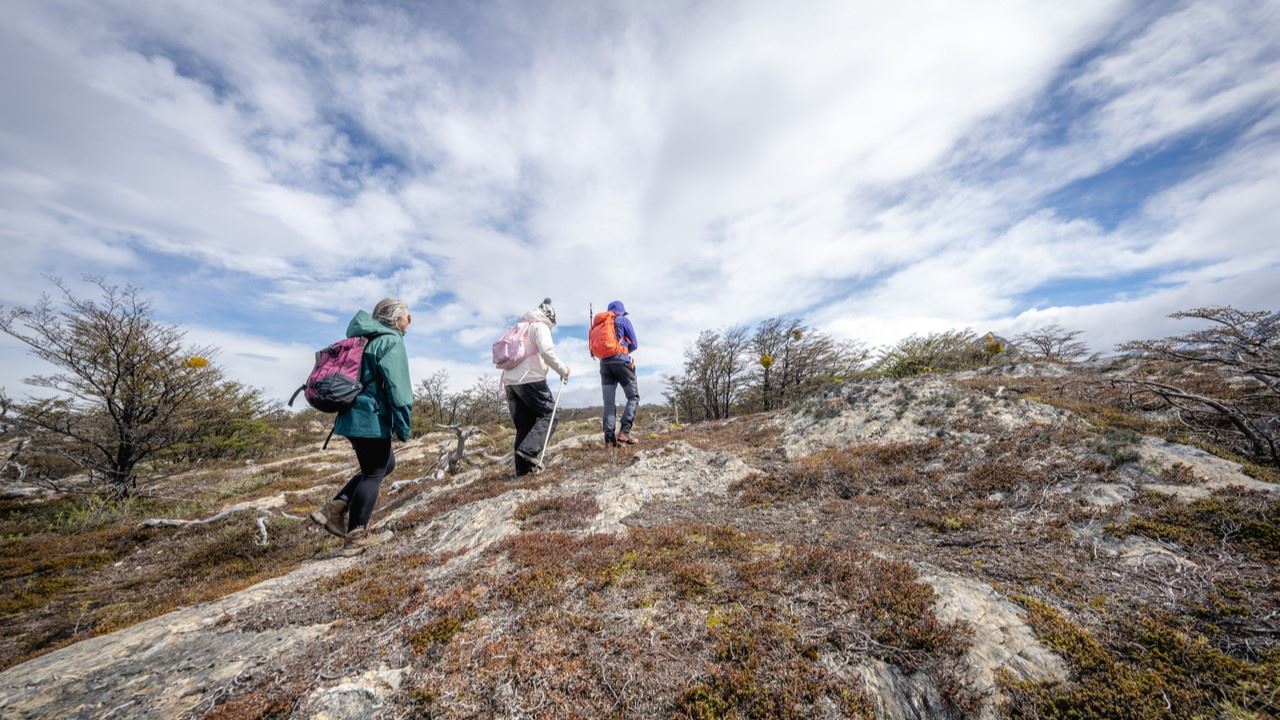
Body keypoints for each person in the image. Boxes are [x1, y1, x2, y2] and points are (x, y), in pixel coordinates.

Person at [309, 298, 414, 552]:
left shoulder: (365, 338)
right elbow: (399, 390)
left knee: (384, 464)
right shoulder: (391, 341)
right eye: (408, 317)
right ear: (396, 319)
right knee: (375, 472)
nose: (410, 322)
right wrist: (403, 425)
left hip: (350, 416)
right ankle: (356, 536)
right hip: (371, 417)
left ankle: (335, 508)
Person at [501, 298, 570, 476]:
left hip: (510, 382)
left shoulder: (521, 327)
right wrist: (562, 370)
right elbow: (546, 351)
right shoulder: (540, 326)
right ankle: (530, 451)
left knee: (524, 425)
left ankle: (523, 472)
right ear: (550, 317)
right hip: (530, 379)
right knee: (550, 415)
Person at [598, 300, 639, 446]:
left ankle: (609, 439)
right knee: (633, 396)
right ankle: (624, 432)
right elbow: (634, 343)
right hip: (621, 362)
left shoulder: (602, 324)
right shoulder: (623, 320)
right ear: (621, 311)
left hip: (604, 364)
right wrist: (625, 351)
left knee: (608, 403)